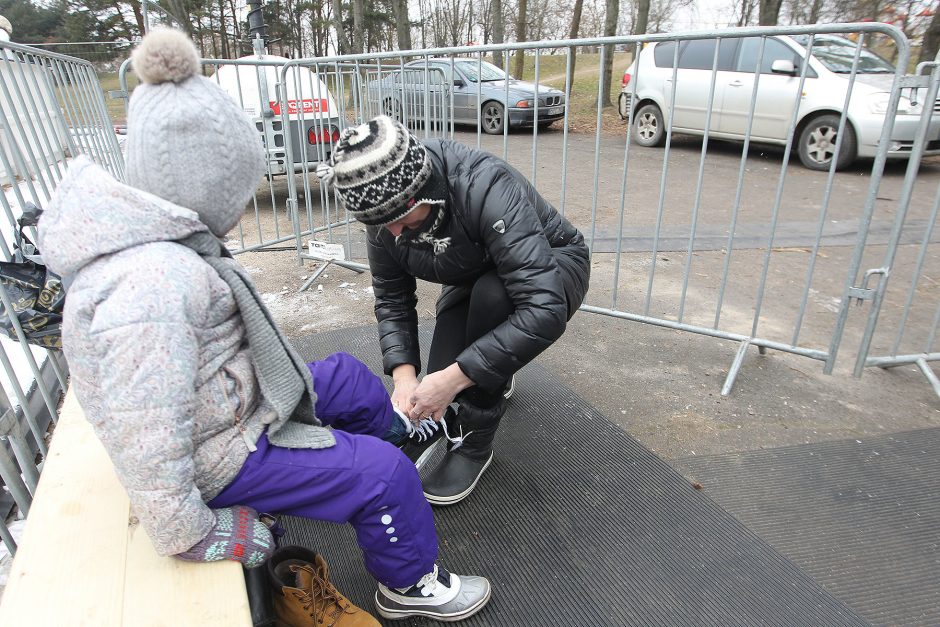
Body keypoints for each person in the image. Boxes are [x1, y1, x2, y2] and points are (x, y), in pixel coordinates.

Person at [38, 29, 489, 625]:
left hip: (231, 406)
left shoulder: (167, 243)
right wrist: (192, 531)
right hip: (220, 454)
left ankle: (394, 441)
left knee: (349, 379)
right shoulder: (150, 285)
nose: (246, 205)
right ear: (208, 189)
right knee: (382, 478)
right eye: (241, 192)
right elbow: (144, 430)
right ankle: (408, 584)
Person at [316, 115, 591, 506]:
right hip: (473, 274)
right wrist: (405, 379)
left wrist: (457, 379)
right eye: (378, 225)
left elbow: (544, 309)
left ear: (420, 194)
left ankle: (476, 445)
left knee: (483, 328)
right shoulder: (384, 213)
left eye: (397, 221)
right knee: (438, 383)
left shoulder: (484, 185)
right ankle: (480, 378)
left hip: (554, 268)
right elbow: (392, 297)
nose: (391, 234)